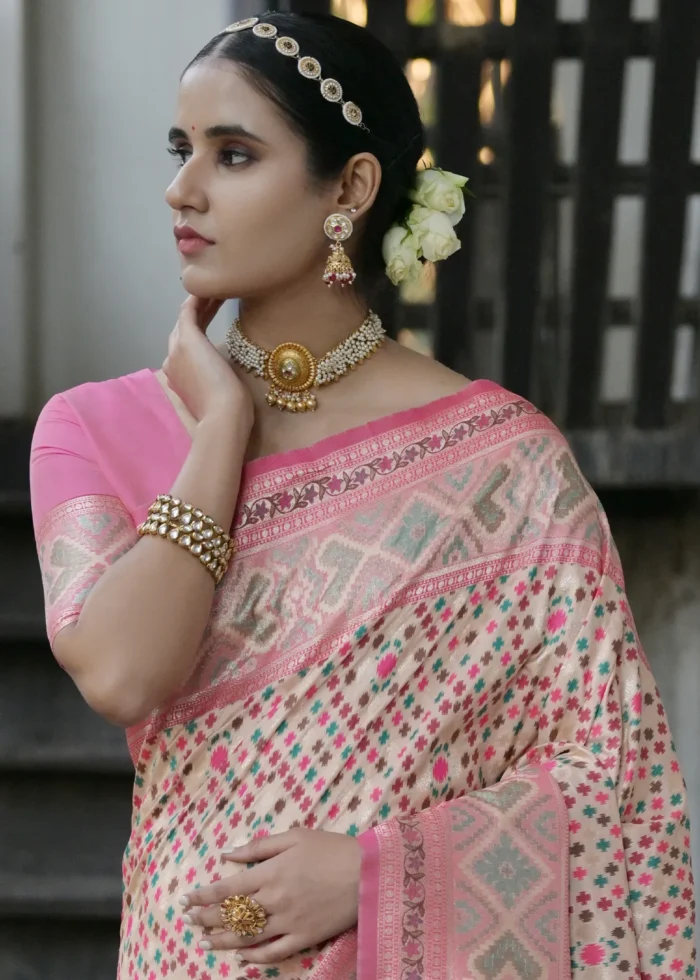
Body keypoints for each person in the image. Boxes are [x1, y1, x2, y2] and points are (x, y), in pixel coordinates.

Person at [29, 11, 696, 980]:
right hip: (191, 952)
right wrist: (219, 430)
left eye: (235, 153)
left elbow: (615, 785)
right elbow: (124, 673)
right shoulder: (97, 426)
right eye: (182, 150)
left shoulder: (503, 464)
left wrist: (380, 873)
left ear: (349, 187)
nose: (182, 188)